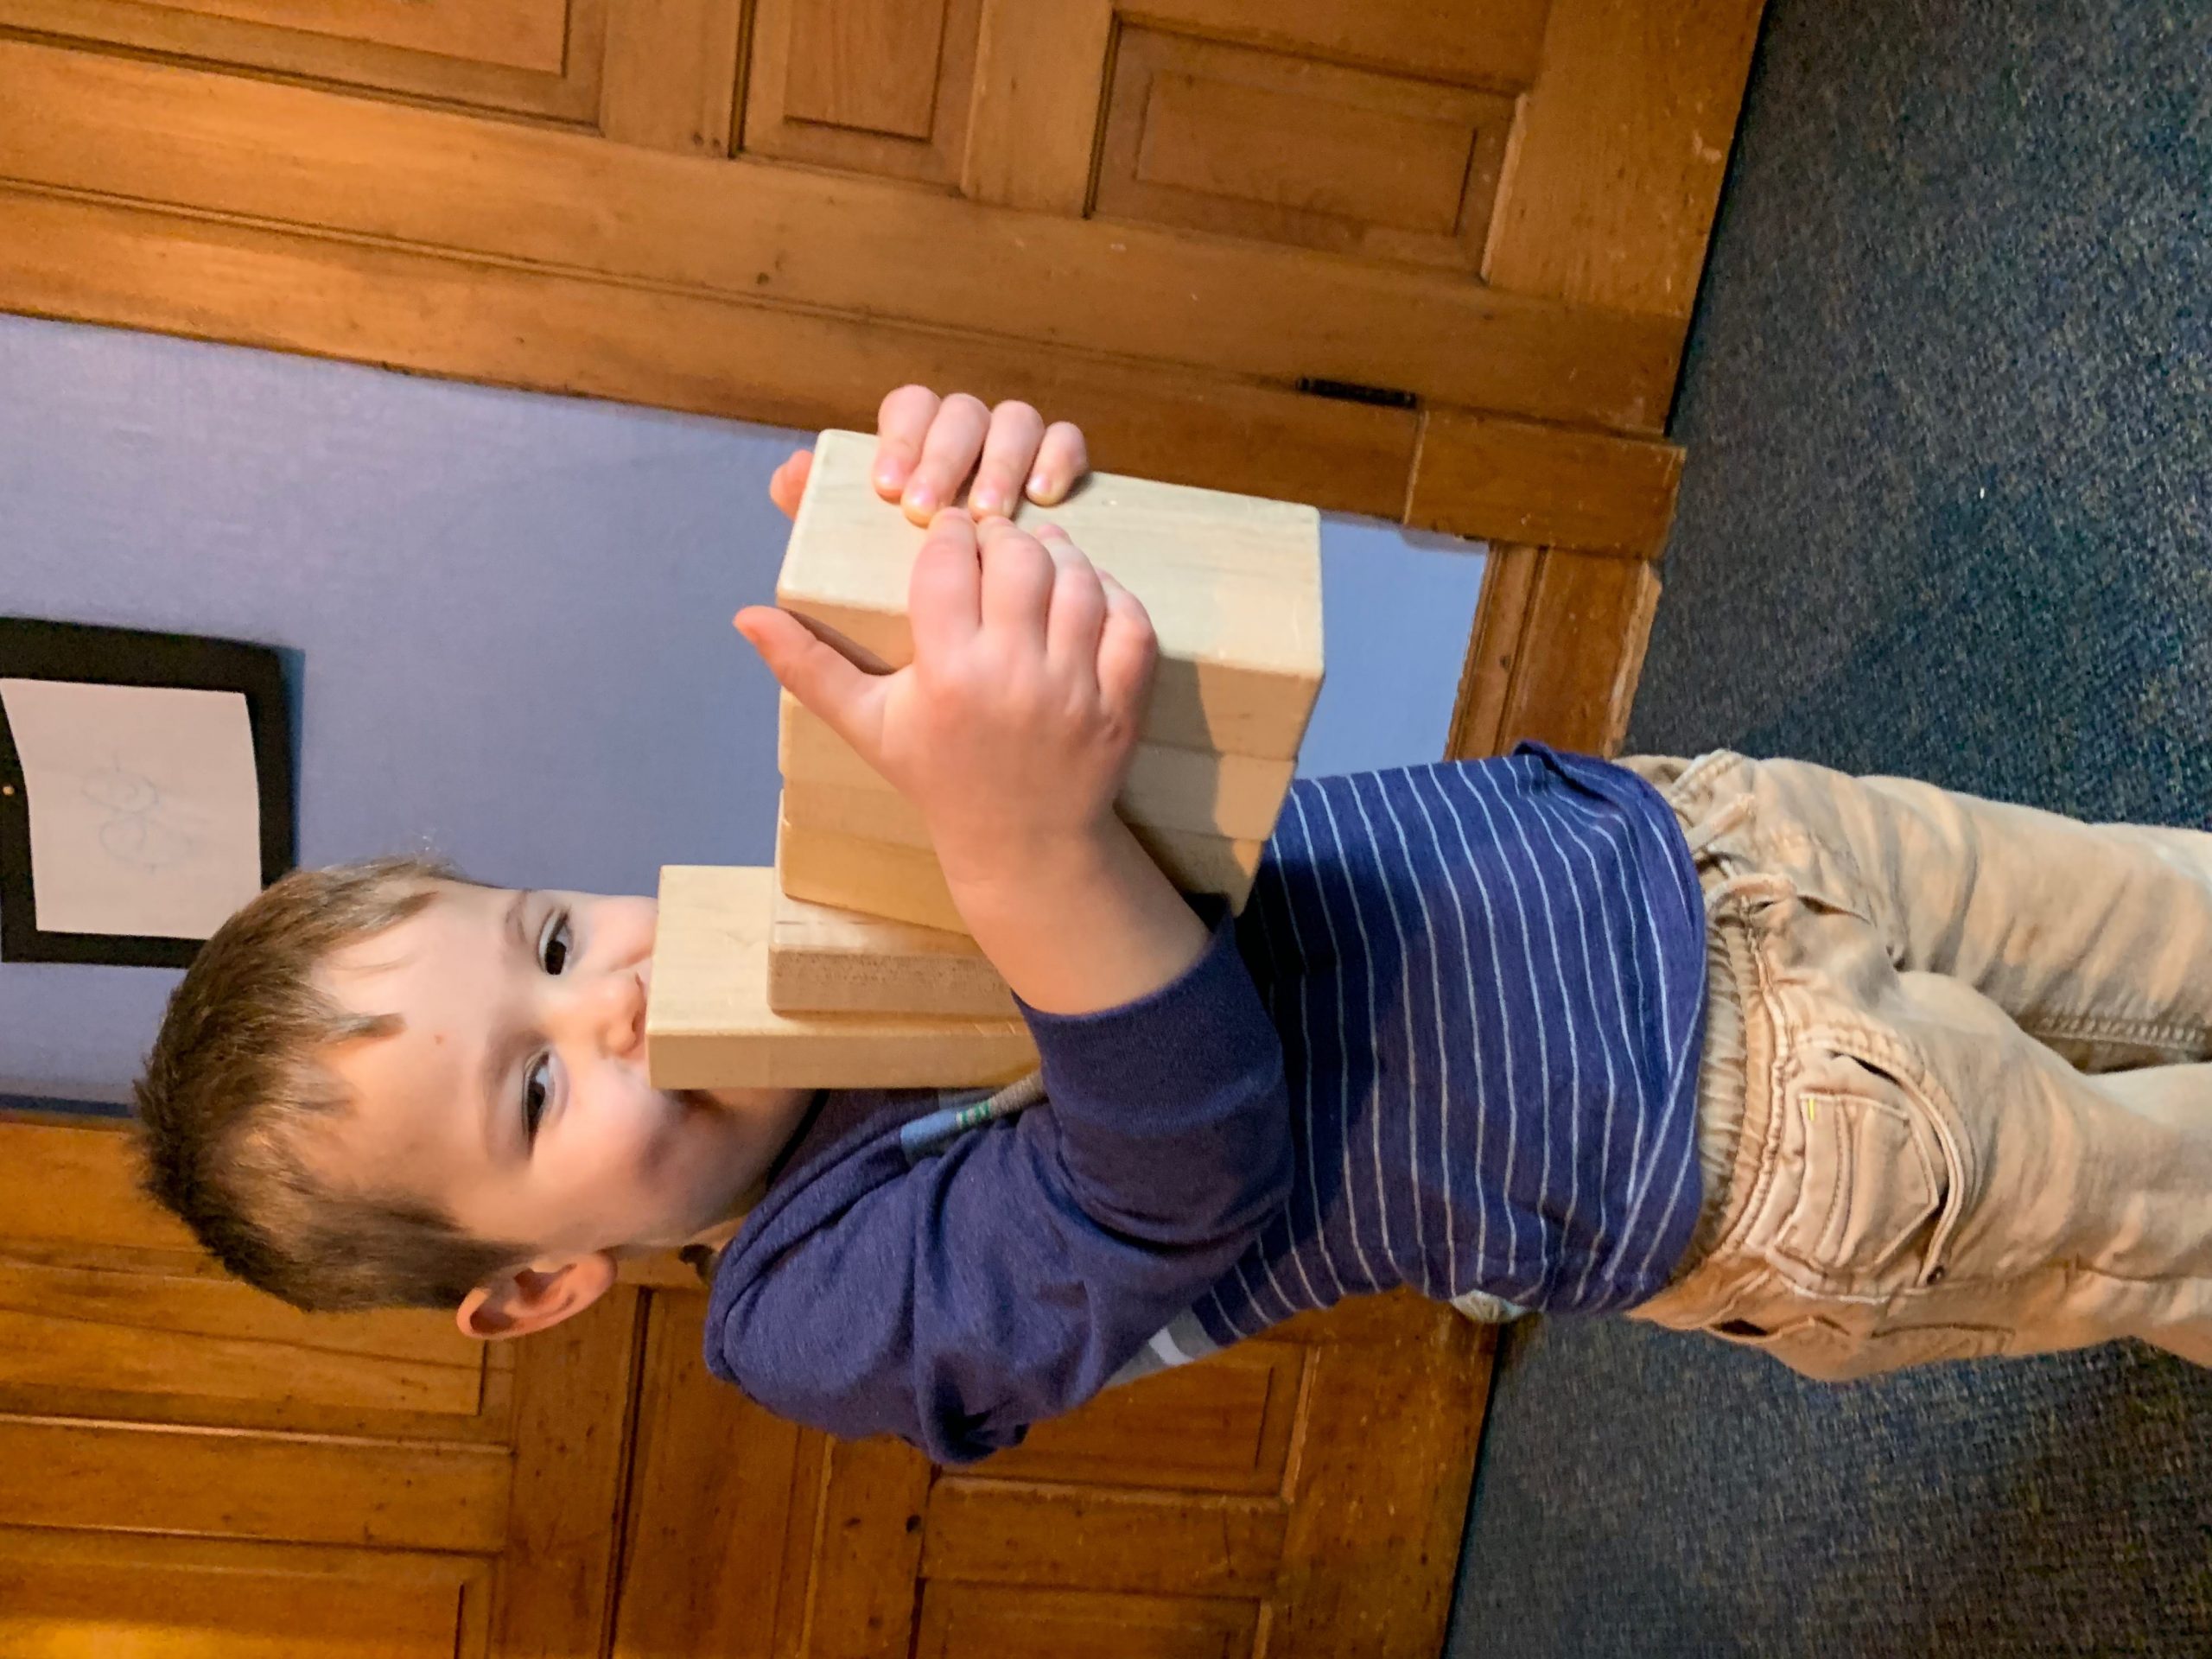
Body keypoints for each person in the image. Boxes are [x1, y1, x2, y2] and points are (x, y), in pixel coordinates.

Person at [135, 389, 2212, 1465]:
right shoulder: (814, 1311)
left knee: (2156, 906)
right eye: (530, 1094)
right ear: (538, 1286)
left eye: (546, 947)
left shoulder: (828, 871)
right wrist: (1021, 846)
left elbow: (1144, 743)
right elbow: (1180, 1164)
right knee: (2163, 1203)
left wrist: (991, 525)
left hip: (1669, 846)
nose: (612, 1001)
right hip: (1738, 1139)